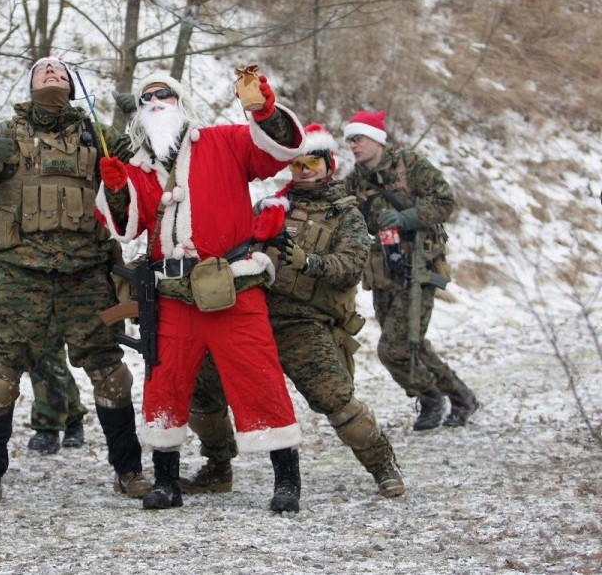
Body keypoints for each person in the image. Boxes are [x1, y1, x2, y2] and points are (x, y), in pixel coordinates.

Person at [97, 71, 306, 513]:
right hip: (170, 294)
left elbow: (278, 153)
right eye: (147, 96)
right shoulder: (142, 166)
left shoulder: (223, 141)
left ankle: (287, 479)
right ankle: (167, 482)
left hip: (232, 285)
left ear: (180, 100)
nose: (155, 100)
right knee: (164, 384)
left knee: (259, 376)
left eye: (164, 94)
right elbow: (127, 226)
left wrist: (265, 113)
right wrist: (118, 189)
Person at [0, 57, 150, 505]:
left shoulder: (98, 137)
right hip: (20, 276)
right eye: (44, 71)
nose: (53, 74)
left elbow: (146, 179)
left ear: (72, 86)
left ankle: (129, 470)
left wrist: (122, 178)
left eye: (61, 71)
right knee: (1, 376)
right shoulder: (4, 134)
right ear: (30, 85)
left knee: (110, 373)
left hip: (85, 274)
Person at [181, 124, 405, 499]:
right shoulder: (270, 206)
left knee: (336, 400)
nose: (303, 170)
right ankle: (217, 467)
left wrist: (308, 262)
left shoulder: (346, 214)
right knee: (203, 385)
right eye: (296, 163)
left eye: (312, 162)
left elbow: (350, 266)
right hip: (251, 316)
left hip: (303, 322)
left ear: (329, 164)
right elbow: (234, 241)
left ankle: (383, 466)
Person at [342, 109, 479, 430]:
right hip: (384, 270)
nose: (353, 146)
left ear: (376, 139)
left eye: (358, 138)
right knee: (411, 343)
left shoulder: (410, 165)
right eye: (349, 140)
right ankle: (462, 397)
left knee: (394, 349)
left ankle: (431, 398)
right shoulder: (356, 179)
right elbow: (341, 211)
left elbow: (445, 200)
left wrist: (407, 218)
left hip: (418, 266)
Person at [0, 208, 87, 455]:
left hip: (54, 281)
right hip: (12, 287)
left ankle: (48, 426)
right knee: (38, 358)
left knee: (46, 355)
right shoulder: (1, 198)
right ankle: (72, 416)